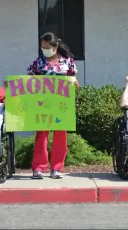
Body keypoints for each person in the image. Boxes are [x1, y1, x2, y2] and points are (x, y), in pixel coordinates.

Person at [26, 32, 79, 180]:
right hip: (42, 103)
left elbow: (74, 79)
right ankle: (38, 168)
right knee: (41, 134)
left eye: (47, 47)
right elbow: (28, 78)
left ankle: (57, 168)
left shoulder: (67, 62)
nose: (44, 50)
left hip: (61, 103)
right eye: (42, 47)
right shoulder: (38, 62)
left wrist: (74, 83)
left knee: (60, 135)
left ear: (55, 47)